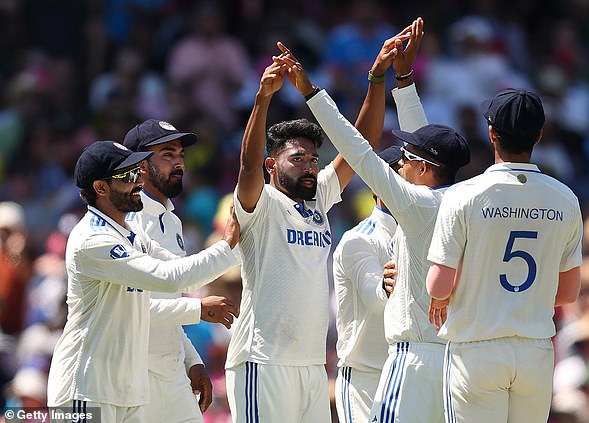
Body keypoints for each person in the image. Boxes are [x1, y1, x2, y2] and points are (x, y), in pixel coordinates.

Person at [277, 16, 470, 423]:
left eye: (407, 163)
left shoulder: (418, 208)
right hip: (372, 375)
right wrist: (404, 80)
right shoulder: (454, 205)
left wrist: (316, 91)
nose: (404, 167)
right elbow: (426, 150)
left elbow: (374, 149)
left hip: (412, 362)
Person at [222, 26, 408, 421]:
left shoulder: (319, 198)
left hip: (310, 365)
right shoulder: (261, 201)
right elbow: (247, 164)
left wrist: (376, 79)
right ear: (273, 166)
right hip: (262, 360)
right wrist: (263, 99)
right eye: (297, 159)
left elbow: (362, 148)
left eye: (312, 159)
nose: (310, 166)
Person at [47, 141, 240, 422]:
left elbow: (180, 274)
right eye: (128, 176)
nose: (139, 182)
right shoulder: (92, 239)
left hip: (126, 392)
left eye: (138, 172)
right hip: (84, 389)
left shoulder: (132, 235)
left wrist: (190, 358)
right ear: (101, 188)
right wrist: (228, 243)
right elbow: (171, 278)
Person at [426, 88, 583, 423]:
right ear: (539, 135)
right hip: (535, 349)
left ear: (491, 132)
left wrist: (449, 295)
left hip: (476, 346)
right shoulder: (565, 198)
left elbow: (439, 286)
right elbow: (568, 293)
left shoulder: (464, 195)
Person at [123, 119, 240, 422]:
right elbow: (134, 308)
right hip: (133, 373)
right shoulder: (128, 223)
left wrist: (191, 361)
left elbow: (169, 299)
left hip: (171, 370)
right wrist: (197, 309)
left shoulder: (173, 222)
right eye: (167, 155)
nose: (178, 163)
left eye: (180, 155)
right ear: (141, 165)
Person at [333, 146, 401, 423]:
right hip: (365, 380)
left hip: (408, 371)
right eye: (395, 177)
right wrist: (389, 286)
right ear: (377, 186)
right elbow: (375, 300)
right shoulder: (359, 240)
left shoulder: (423, 233)